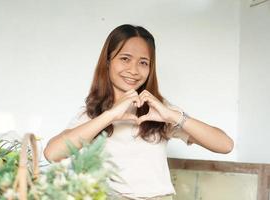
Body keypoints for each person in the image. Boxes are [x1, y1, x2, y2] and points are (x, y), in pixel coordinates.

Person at [44, 24, 234, 200]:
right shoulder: (93, 112)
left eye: (143, 62)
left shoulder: (158, 110)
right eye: (125, 59)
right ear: (108, 61)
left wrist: (173, 116)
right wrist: (110, 115)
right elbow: (52, 153)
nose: (134, 70)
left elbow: (225, 145)